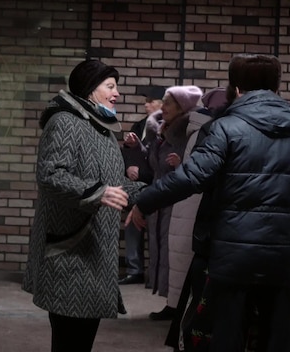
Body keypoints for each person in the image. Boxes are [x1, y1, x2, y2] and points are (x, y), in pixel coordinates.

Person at [127, 54, 290, 351]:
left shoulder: (224, 129)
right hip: (279, 254)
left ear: (236, 89)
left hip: (230, 253)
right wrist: (280, 206)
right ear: (277, 88)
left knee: (227, 334)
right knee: (273, 336)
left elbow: (189, 178)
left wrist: (143, 202)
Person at [21, 59, 146, 352]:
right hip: (70, 249)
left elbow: (112, 184)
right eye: (110, 86)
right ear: (90, 89)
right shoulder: (65, 122)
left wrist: (154, 192)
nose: (117, 93)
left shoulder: (99, 127)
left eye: (117, 87)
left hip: (92, 251)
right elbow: (50, 174)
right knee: (69, 338)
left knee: (82, 336)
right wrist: (96, 193)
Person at [125, 85, 203, 321]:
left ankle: (178, 304)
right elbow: (153, 164)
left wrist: (183, 163)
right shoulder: (162, 130)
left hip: (179, 201)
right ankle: (172, 302)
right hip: (161, 198)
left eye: (168, 103)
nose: (162, 107)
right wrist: (137, 148)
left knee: (176, 253)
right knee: (164, 249)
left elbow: (199, 166)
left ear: (182, 108)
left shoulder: (189, 132)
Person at [163, 86, 229, 350]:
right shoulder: (212, 131)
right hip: (200, 213)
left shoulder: (197, 128)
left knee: (189, 282)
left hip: (186, 209)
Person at [119, 85, 166, 285]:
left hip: (159, 188)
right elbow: (128, 152)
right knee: (132, 224)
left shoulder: (169, 128)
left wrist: (143, 172)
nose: (146, 105)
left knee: (158, 232)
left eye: (150, 101)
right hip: (138, 188)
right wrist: (129, 167)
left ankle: (157, 276)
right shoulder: (139, 127)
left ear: (162, 104)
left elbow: (160, 161)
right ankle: (135, 270)